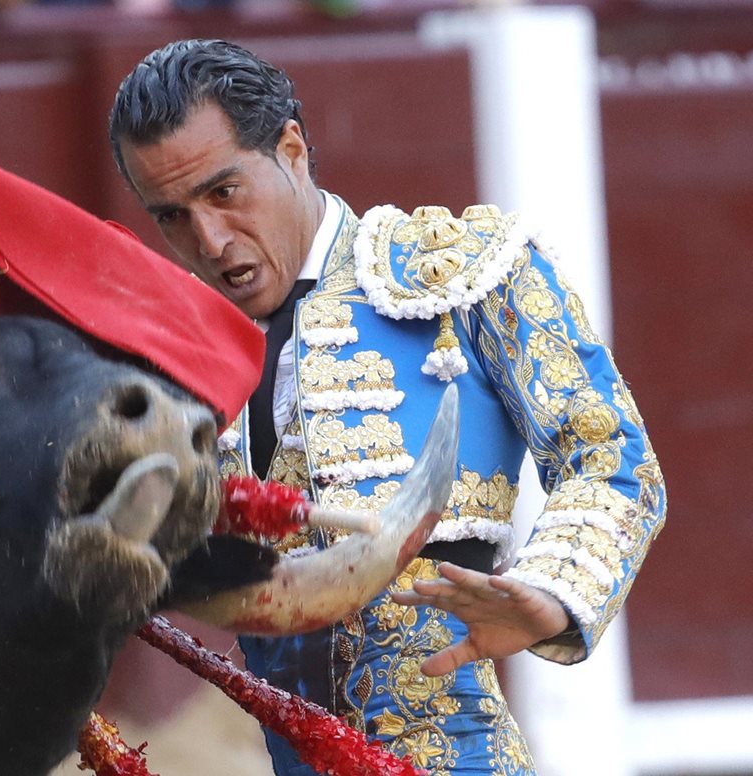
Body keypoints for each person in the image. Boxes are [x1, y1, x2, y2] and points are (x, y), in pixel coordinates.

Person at [108, 39, 665, 775]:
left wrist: (549, 592)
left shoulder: (462, 275)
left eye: (224, 193)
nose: (207, 241)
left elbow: (611, 459)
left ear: (292, 150)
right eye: (171, 216)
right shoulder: (172, 356)